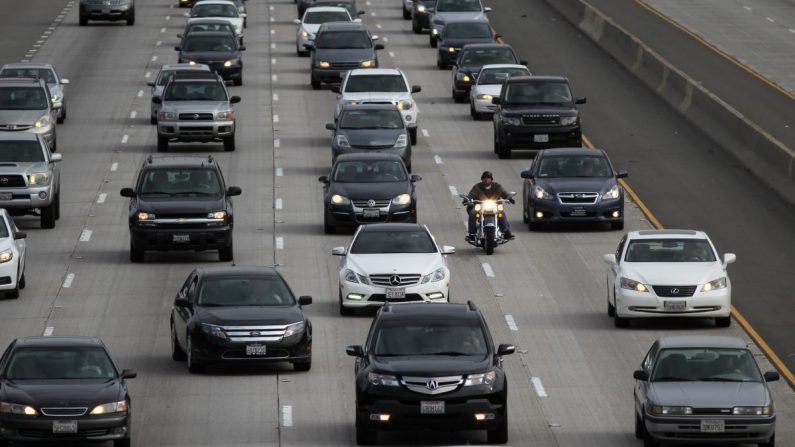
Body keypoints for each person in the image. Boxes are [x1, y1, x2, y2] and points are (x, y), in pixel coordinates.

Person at [465, 171, 513, 242]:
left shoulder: (497, 186)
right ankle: (471, 234)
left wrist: (509, 198)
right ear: (482, 179)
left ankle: (506, 232)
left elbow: (504, 193)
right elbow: (471, 194)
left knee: (501, 213)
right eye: (484, 178)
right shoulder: (477, 187)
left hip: (494, 206)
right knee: (472, 213)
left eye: (488, 178)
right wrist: (467, 199)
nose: (486, 179)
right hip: (480, 207)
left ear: (491, 179)